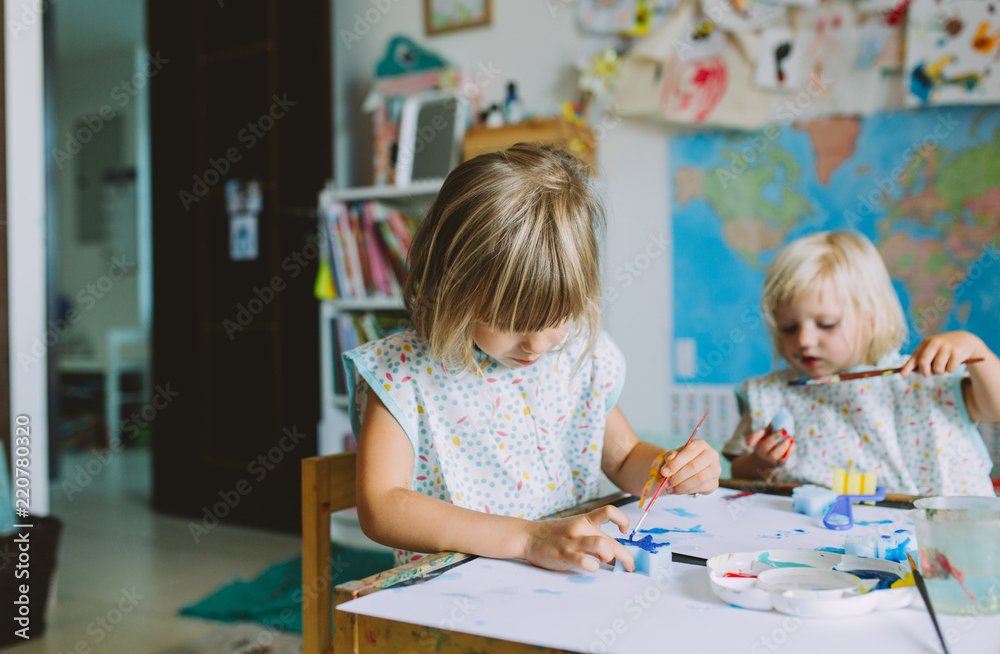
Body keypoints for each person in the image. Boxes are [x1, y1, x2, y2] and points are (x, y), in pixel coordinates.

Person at [345, 144, 721, 573]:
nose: (538, 345)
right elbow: (382, 507)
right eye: (510, 321)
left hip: (561, 580)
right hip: (456, 594)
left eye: (558, 316)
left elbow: (622, 457)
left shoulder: (576, 354)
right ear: (450, 286)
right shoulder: (403, 374)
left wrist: (671, 470)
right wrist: (528, 538)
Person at [724, 231, 1000, 496]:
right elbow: (740, 474)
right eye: (788, 327)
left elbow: (994, 408)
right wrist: (760, 462)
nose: (805, 339)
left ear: (872, 318)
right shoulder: (769, 394)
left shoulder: (923, 377)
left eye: (826, 324)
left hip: (945, 535)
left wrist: (976, 350)